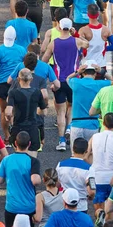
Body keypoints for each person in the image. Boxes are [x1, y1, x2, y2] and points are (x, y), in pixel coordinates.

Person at [42, 17, 89, 151]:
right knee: (72, 108)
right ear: (70, 28)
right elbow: (88, 44)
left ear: (59, 26)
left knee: (60, 112)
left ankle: (61, 141)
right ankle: (69, 128)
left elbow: (44, 60)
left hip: (59, 81)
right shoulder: (77, 41)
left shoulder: (54, 43)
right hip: (74, 79)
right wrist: (76, 34)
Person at [0, 130, 41, 227]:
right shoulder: (33, 161)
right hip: (28, 207)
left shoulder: (7, 160)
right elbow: (35, 180)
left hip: (12, 206)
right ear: (29, 144)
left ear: (15, 143)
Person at [0, 27, 27, 145]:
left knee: (3, 111)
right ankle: (17, 135)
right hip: (17, 82)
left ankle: (7, 136)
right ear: (15, 38)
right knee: (16, 110)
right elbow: (26, 65)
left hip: (2, 83)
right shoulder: (21, 50)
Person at [5, 68, 46, 156]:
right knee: (32, 158)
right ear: (31, 79)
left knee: (19, 156)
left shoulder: (13, 93)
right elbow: (44, 112)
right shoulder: (37, 92)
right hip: (32, 128)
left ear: (18, 79)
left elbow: (8, 112)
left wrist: (9, 120)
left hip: (18, 127)